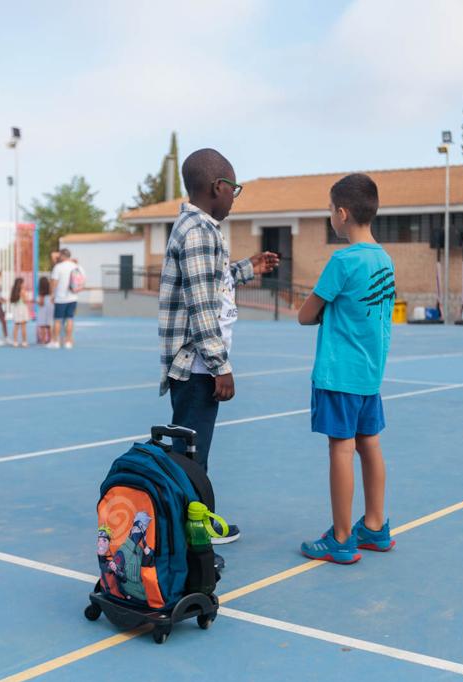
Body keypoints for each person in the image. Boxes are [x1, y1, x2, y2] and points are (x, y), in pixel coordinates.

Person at [158, 148, 279, 547]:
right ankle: (187, 533)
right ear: (218, 187)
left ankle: (194, 520)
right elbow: (200, 303)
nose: (234, 198)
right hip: (197, 366)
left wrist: (248, 269)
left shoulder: (202, 228)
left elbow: (214, 280)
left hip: (199, 364)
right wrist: (219, 365)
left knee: (194, 451)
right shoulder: (196, 232)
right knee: (191, 455)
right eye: (235, 190)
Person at [297, 173, 395, 564]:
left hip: (339, 373)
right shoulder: (383, 259)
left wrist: (324, 311)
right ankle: (374, 524)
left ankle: (341, 537)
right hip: (370, 374)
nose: (330, 219)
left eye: (329, 212)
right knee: (369, 443)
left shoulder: (343, 260)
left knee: (341, 447)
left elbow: (306, 315)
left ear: (342, 214)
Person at [47, 249, 80, 349]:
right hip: (73, 297)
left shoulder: (58, 267)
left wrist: (52, 294)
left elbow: (54, 282)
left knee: (57, 320)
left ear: (62, 256)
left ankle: (55, 342)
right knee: (70, 319)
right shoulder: (76, 266)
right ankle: (68, 342)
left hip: (61, 298)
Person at [10, 277, 31, 347]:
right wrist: (27, 296)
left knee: (16, 326)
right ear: (20, 284)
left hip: (16, 309)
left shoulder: (13, 291)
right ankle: (24, 342)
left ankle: (15, 342)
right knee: (23, 327)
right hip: (22, 309)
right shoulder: (22, 291)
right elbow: (25, 300)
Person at [36, 276, 53, 345]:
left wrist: (36, 302)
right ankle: (50, 340)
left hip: (42, 311)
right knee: (49, 326)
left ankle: (43, 340)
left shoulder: (41, 294)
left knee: (42, 326)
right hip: (50, 310)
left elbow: (41, 303)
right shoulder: (50, 293)